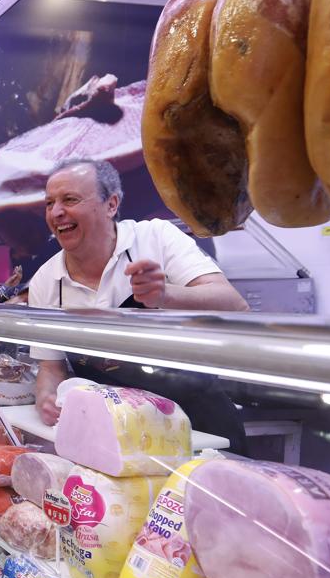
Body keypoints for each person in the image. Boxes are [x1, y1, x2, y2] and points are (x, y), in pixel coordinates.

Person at [28, 158, 250, 449]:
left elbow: (234, 305)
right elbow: (51, 367)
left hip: (196, 429)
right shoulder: (47, 279)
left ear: (111, 204)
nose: (56, 212)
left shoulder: (155, 238)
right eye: (49, 203)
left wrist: (166, 296)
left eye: (70, 199)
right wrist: (46, 396)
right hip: (114, 437)